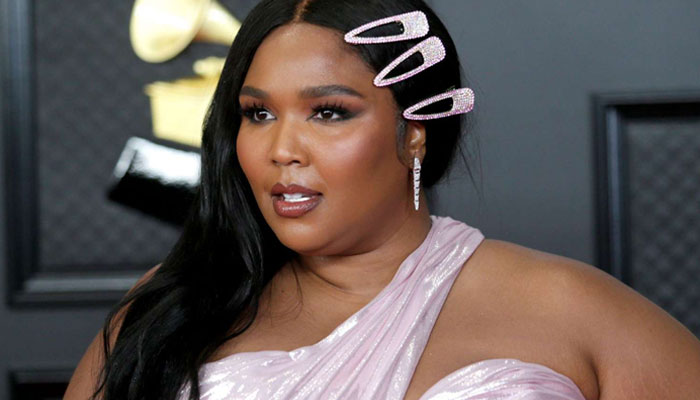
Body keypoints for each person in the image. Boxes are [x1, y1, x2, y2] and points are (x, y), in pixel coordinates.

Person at [64, 0, 700, 399]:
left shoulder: (568, 307)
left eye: (328, 112)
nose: (282, 149)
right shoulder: (170, 308)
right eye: (258, 114)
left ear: (414, 131)